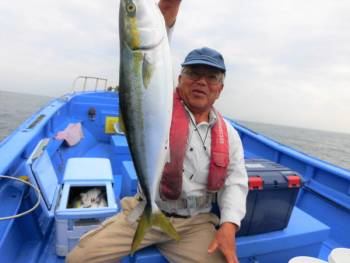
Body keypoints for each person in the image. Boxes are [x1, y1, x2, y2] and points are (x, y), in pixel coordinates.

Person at [66, 1, 248, 262]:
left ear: (220, 88)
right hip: (144, 210)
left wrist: (229, 224)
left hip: (196, 223)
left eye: (212, 78)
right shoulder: (159, 106)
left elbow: (236, 181)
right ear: (178, 78)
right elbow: (156, 28)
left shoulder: (228, 134)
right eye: (193, 73)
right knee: (79, 259)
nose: (201, 82)